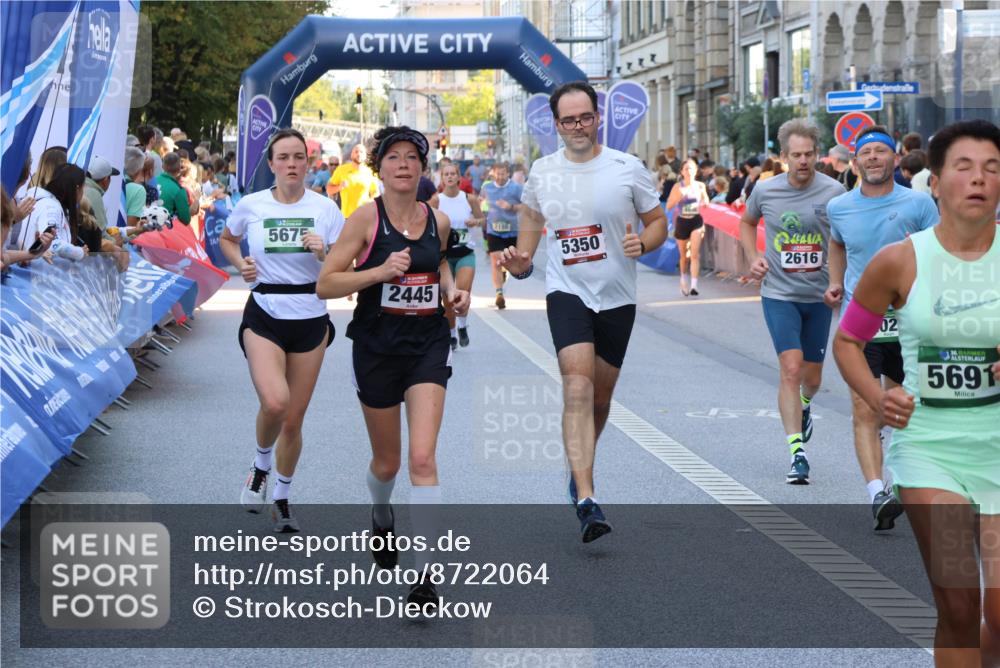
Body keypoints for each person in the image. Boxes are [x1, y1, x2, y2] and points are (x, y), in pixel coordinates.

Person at [831, 119, 1000, 664]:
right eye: (965, 167)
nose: (979, 179)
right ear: (935, 182)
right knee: (958, 605)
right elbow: (848, 342)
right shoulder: (899, 261)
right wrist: (879, 400)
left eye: (993, 168)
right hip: (931, 451)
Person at [498, 81, 668, 542]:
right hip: (567, 291)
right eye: (568, 120)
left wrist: (644, 243)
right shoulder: (543, 171)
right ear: (556, 125)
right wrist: (522, 261)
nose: (577, 126)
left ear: (598, 119)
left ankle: (579, 467)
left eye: (585, 117)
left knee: (599, 398)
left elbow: (657, 222)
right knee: (577, 385)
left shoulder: (626, 168)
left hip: (617, 296)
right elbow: (532, 217)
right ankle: (588, 498)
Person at [316, 126, 470, 609]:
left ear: (422, 170)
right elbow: (326, 284)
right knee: (388, 461)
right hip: (378, 347)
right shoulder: (365, 218)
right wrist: (379, 272)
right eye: (393, 158)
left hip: (427, 343)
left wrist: (452, 291)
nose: (403, 165)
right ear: (379, 169)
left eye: (411, 158)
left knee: (423, 459)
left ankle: (425, 573)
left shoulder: (438, 221)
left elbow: (441, 263)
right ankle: (381, 513)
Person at [220, 128, 345, 533]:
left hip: (311, 315)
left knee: (293, 419)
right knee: (275, 402)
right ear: (271, 164)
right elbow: (227, 238)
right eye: (284, 158)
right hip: (265, 312)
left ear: (307, 164)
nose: (292, 164)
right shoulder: (252, 205)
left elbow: (348, 269)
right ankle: (259, 467)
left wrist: (325, 253)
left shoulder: (326, 210)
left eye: (298, 157)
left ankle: (282, 497)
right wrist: (241, 265)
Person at [824, 125, 939, 530]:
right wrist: (835, 281)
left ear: (895, 159)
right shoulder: (840, 207)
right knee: (865, 406)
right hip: (862, 317)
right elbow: (837, 244)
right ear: (855, 162)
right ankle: (878, 493)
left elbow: (937, 253)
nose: (873, 157)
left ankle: (912, 477)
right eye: (866, 152)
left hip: (910, 317)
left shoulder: (920, 203)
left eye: (881, 151)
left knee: (912, 407)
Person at [739, 119, 846, 484]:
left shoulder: (834, 191)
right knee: (791, 368)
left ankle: (804, 405)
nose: (803, 160)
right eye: (796, 155)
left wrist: (837, 280)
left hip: (818, 296)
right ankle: (796, 452)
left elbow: (842, 240)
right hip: (779, 293)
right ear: (783, 156)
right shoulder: (766, 191)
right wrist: (752, 256)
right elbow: (746, 223)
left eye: (809, 154)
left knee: (812, 379)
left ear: (818, 153)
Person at [429, 161, 484, 349]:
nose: (450, 177)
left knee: (463, 292)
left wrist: (475, 221)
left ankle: (462, 326)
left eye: (453, 174)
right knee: (447, 300)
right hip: (444, 256)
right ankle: (451, 333)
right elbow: (424, 221)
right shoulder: (436, 200)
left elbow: (483, 220)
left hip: (465, 252)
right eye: (447, 174)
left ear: (459, 177)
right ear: (442, 178)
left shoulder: (469, 199)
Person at [480, 162, 523, 309]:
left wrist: (511, 207)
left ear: (508, 174)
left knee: (510, 263)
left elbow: (526, 206)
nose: (500, 176)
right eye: (497, 173)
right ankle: (499, 293)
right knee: (496, 261)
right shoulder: (487, 187)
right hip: (494, 231)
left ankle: (505, 272)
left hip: (512, 231)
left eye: (503, 173)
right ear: (493, 173)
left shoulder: (516, 188)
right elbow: (480, 201)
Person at [666, 158, 710, 296]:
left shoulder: (700, 186)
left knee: (695, 254)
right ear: (682, 172)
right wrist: (679, 196)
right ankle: (683, 279)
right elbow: (669, 206)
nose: (689, 171)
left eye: (691, 168)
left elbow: (706, 201)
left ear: (696, 171)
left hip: (696, 221)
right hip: (682, 222)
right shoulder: (677, 187)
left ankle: (694, 286)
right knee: (684, 256)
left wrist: (704, 202)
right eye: (686, 169)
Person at [327, 143, 379, 218]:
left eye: (361, 152)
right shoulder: (341, 170)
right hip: (346, 217)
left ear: (365, 155)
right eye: (356, 151)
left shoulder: (370, 171)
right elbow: (329, 190)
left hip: (364, 217)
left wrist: (370, 203)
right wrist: (339, 187)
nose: (358, 154)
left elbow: (375, 193)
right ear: (352, 155)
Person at [84, 155, 119, 233]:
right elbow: (101, 232)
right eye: (110, 177)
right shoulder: (93, 194)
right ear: (105, 179)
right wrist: (114, 242)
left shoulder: (81, 186)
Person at [156, 152, 191, 225]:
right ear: (179, 169)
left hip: (145, 229)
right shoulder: (179, 191)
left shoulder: (151, 180)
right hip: (164, 231)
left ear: (163, 166)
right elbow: (186, 220)